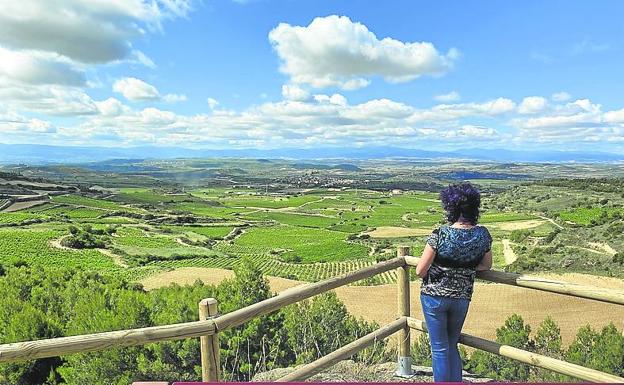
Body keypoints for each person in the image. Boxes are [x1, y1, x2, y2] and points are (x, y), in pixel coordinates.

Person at [415, 183, 493, 382]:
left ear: (451, 208)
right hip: (461, 297)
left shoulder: (440, 234)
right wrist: (464, 268)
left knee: (439, 348)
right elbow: (486, 265)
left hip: (434, 297)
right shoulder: (482, 235)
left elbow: (420, 270)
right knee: (451, 344)